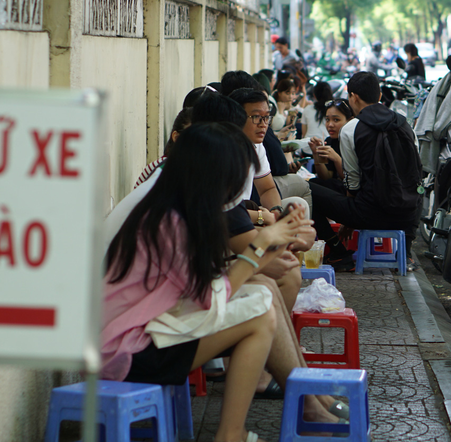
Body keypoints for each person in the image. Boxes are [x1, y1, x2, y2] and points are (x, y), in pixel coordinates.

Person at [101, 123, 311, 442]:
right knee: (260, 313)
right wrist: (261, 245)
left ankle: (302, 402)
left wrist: (278, 240)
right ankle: (231, 434)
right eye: (233, 178)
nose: (235, 191)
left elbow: (212, 281)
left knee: (260, 293)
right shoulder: (168, 222)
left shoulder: (173, 209)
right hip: (128, 354)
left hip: (142, 335)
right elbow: (210, 296)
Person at [309, 72, 422, 266]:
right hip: (409, 216)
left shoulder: (352, 128)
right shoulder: (404, 123)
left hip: (370, 214)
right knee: (322, 183)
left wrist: (350, 221)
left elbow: (352, 182)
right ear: (379, 96)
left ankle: (337, 250)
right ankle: (406, 251)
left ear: (353, 97)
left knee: (309, 189)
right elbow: (416, 170)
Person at [307, 99, 354, 194]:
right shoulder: (330, 141)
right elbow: (325, 177)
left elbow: (351, 182)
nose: (330, 125)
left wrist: (336, 159)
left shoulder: (354, 143)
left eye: (336, 120)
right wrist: (316, 155)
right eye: (327, 119)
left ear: (350, 121)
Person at [271, 76, 300, 141]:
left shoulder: (288, 107)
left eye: (293, 93)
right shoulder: (273, 105)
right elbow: (277, 126)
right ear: (279, 93)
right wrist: (281, 110)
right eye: (287, 93)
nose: (290, 97)